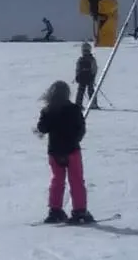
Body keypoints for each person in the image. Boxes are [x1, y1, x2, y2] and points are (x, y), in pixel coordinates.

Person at [35, 81, 94, 224]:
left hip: (55, 152)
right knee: (77, 180)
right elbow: (81, 128)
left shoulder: (48, 111)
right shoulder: (74, 109)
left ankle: (55, 210)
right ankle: (79, 210)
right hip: (72, 150)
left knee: (57, 180)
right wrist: (76, 139)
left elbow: (42, 128)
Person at [74, 42, 98, 108]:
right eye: (84, 51)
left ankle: (93, 104)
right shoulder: (80, 59)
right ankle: (78, 104)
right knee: (80, 91)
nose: (85, 52)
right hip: (82, 77)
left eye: (87, 51)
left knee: (91, 91)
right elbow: (77, 68)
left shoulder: (92, 59)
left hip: (89, 77)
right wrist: (77, 76)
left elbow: (94, 68)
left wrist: (93, 76)